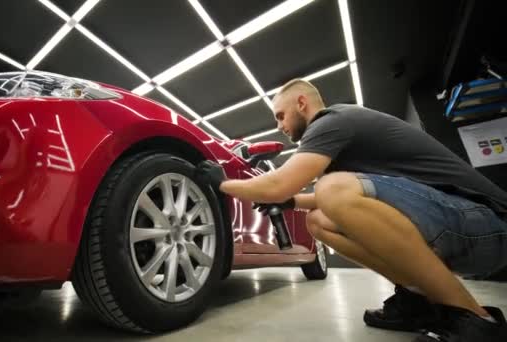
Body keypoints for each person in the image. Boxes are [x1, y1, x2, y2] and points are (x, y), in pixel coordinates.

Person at [193, 79, 507, 341]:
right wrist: (291, 203)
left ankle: (476, 322)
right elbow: (314, 198)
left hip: (487, 221)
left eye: (280, 115)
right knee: (318, 221)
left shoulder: (332, 121)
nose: (279, 127)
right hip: (462, 229)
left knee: (331, 189)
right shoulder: (341, 145)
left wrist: (223, 184)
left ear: (302, 103)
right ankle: (418, 299)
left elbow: (280, 184)